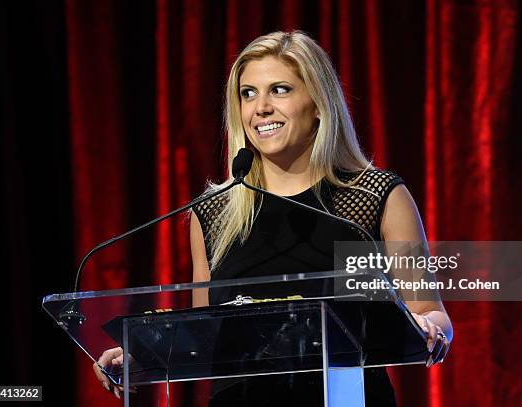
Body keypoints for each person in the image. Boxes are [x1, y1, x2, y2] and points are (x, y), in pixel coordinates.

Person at [95, 30, 452, 405]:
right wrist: (142, 357)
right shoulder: (215, 212)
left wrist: (430, 328)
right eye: (248, 94)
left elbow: (429, 311)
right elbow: (202, 336)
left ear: (318, 103)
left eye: (279, 90)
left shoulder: (373, 197)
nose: (260, 107)